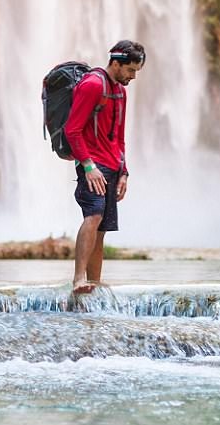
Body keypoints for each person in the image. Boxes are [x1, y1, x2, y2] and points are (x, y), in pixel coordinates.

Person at [64, 40, 145, 294]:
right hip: (92, 164)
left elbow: (119, 137)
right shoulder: (91, 85)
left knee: (102, 227)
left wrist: (124, 172)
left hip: (111, 165)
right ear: (116, 63)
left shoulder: (120, 91)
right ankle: (78, 279)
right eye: (130, 70)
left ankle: (94, 283)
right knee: (94, 215)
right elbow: (72, 130)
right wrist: (88, 166)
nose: (132, 76)